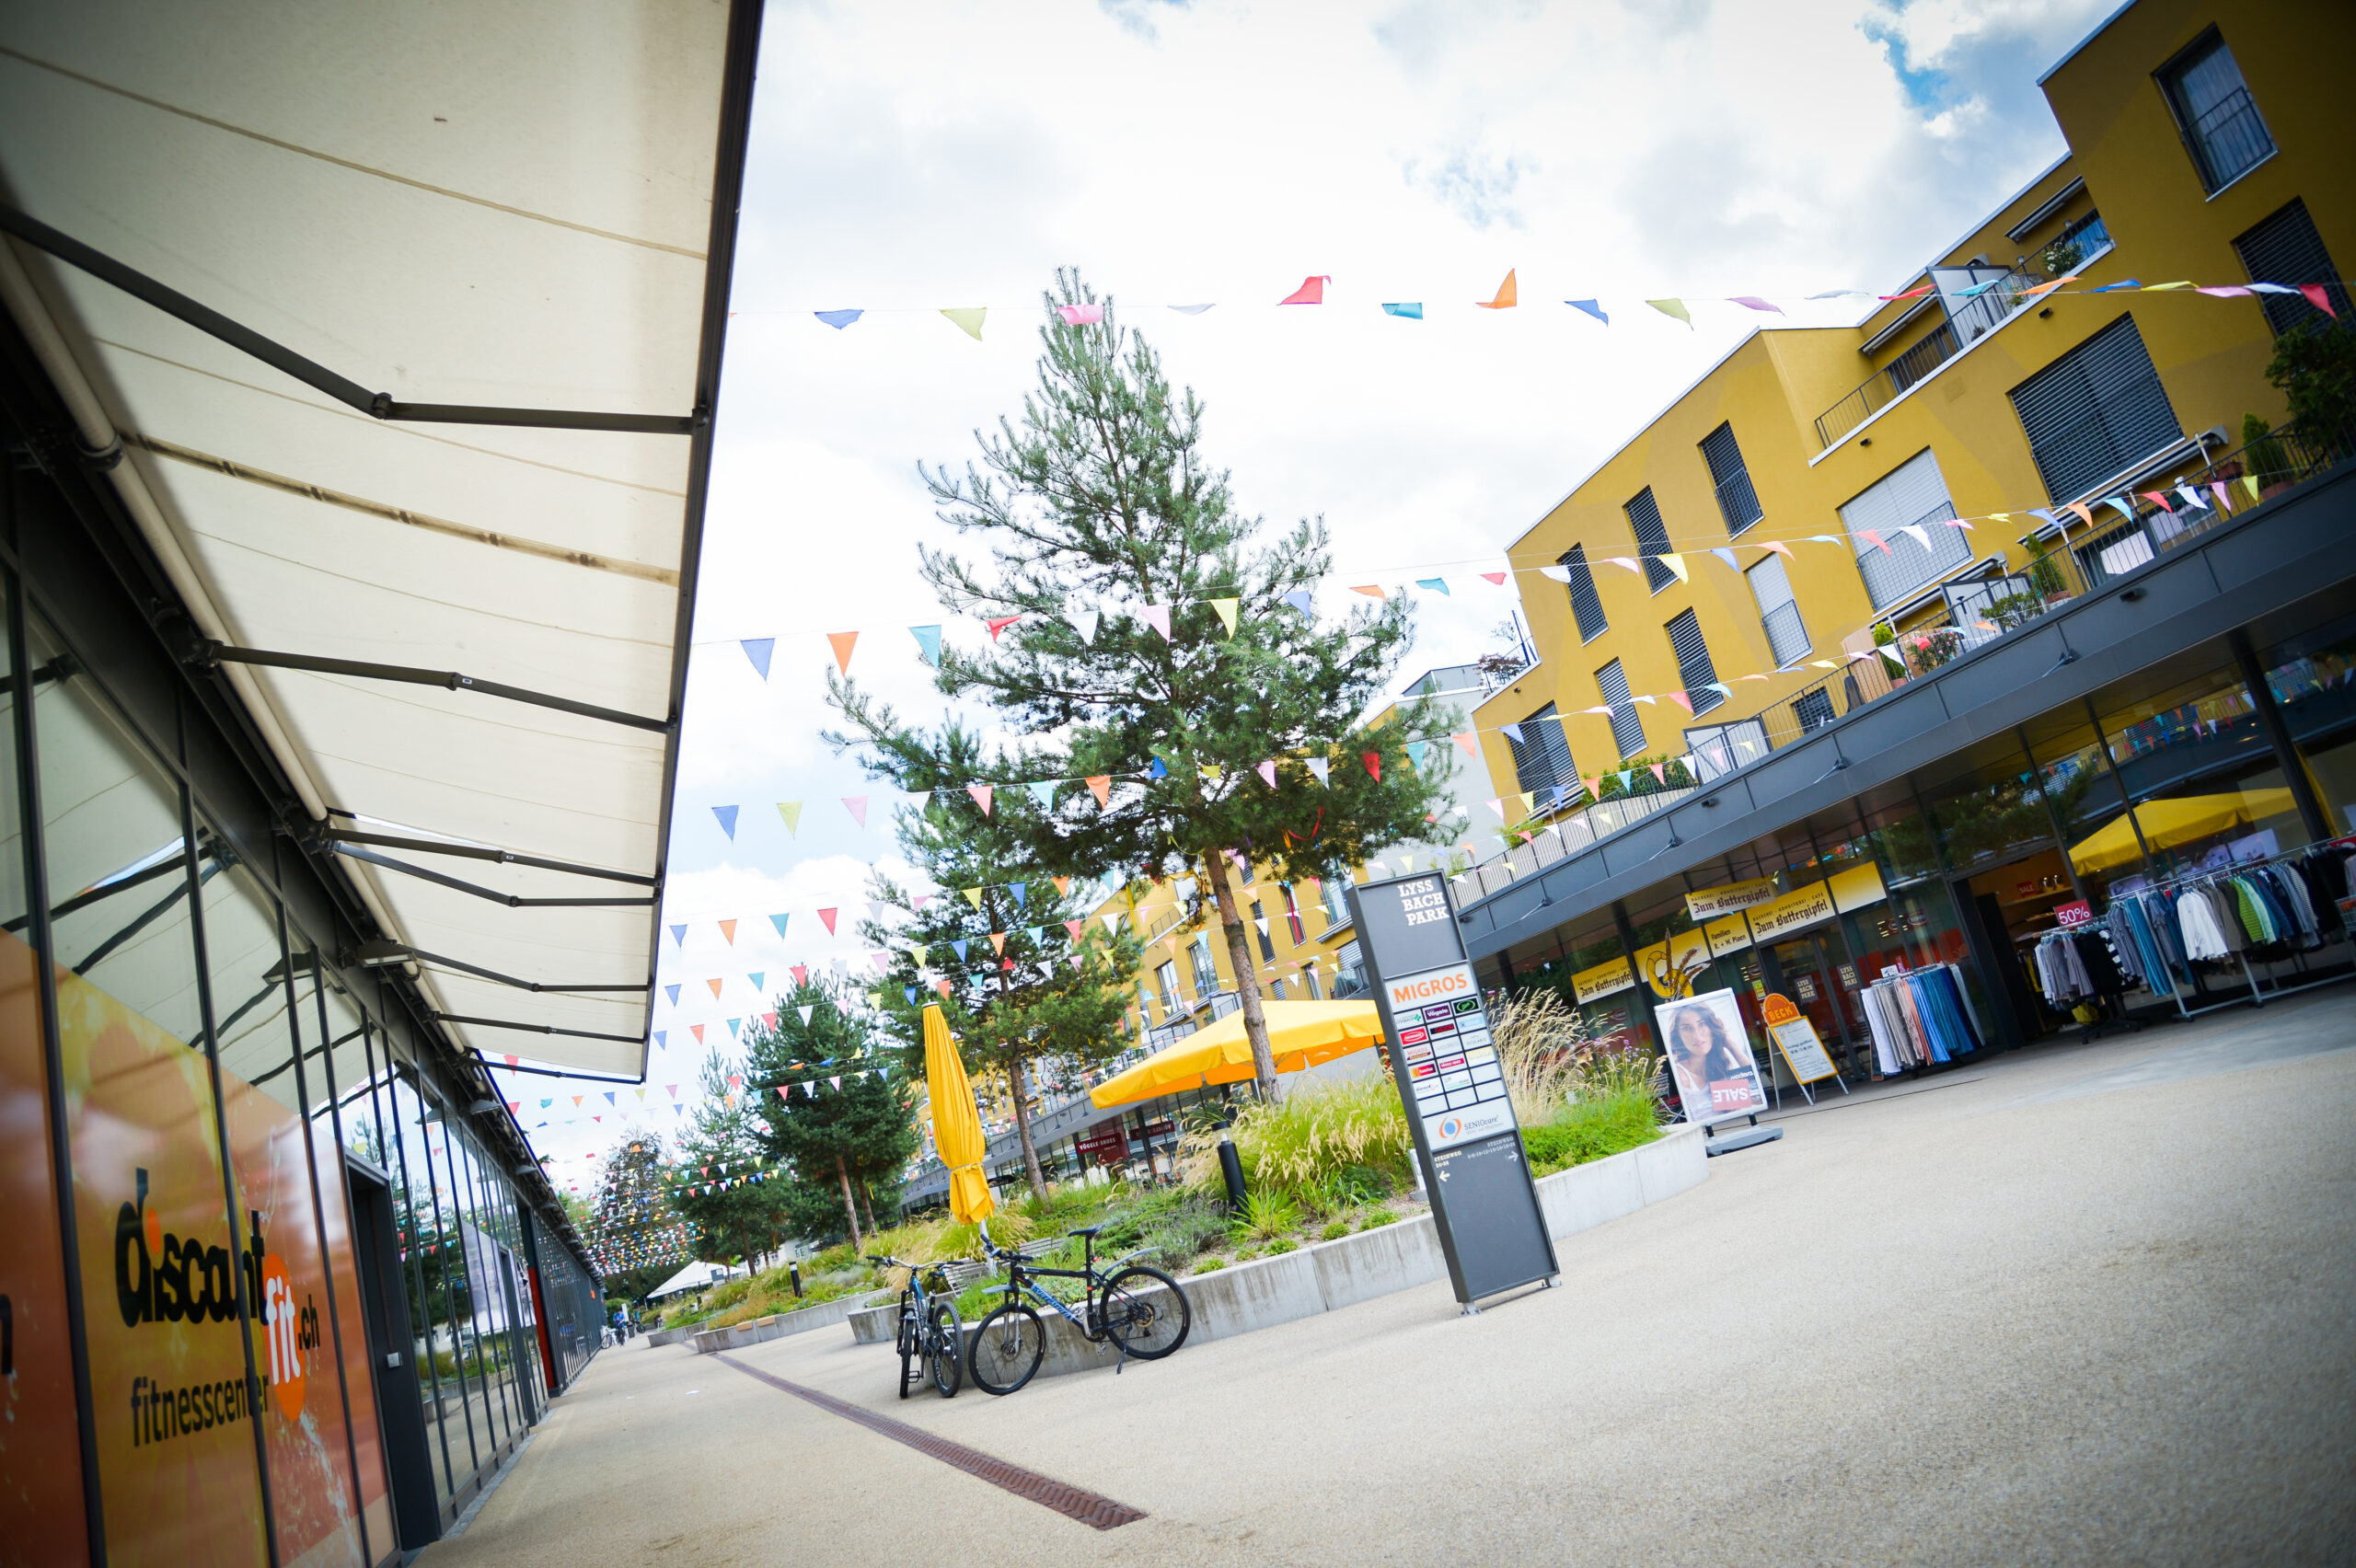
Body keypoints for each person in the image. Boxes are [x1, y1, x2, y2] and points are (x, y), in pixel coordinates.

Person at [1661, 1000, 1761, 1121]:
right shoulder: (1682, 1075)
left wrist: (1730, 1044)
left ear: (1711, 1027)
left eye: (1702, 1024)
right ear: (1678, 1035)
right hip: (1715, 1128)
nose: (1697, 1035)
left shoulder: (1719, 1062)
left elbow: (1756, 1095)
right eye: (1686, 1028)